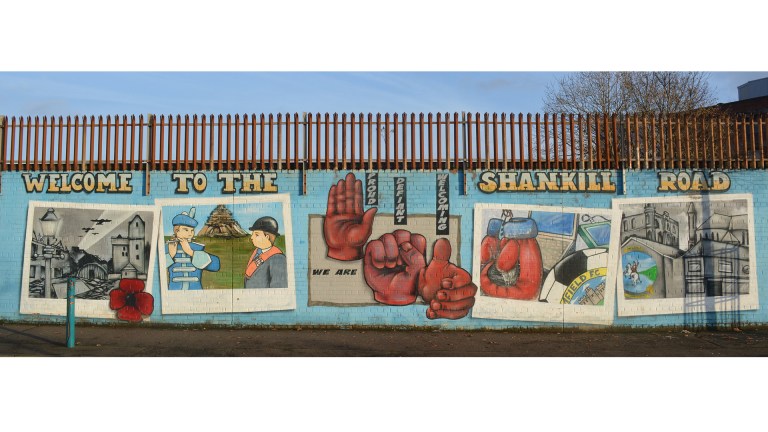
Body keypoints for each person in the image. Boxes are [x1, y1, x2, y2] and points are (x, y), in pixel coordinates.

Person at [165, 207, 220, 290]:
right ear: (176, 230)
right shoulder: (168, 247)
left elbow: (216, 265)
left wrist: (191, 252)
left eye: (192, 230)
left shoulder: (197, 247)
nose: (190, 234)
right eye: (186, 230)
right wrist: (170, 256)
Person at [244, 216, 288, 288]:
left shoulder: (278, 259)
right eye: (252, 234)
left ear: (267, 237)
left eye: (256, 235)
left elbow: (279, 286)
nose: (252, 237)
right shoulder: (257, 252)